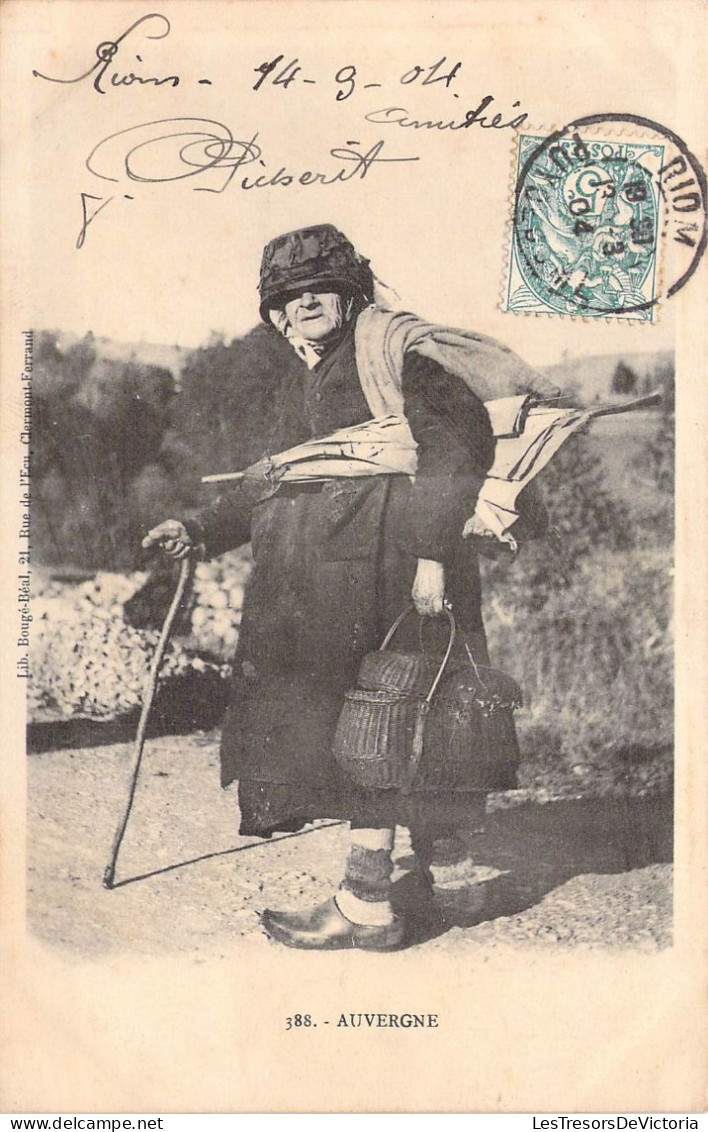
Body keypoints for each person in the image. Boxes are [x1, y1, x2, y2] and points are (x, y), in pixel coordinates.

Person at [143, 224, 545, 951]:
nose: (303, 304)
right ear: (274, 311)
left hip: (392, 577)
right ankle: (448, 878)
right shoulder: (315, 371)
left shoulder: (395, 351)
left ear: (350, 289)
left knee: (379, 730)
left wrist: (429, 557)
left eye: (317, 287)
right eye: (287, 296)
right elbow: (284, 473)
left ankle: (366, 904)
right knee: (411, 725)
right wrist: (201, 527)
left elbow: (455, 449)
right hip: (331, 584)